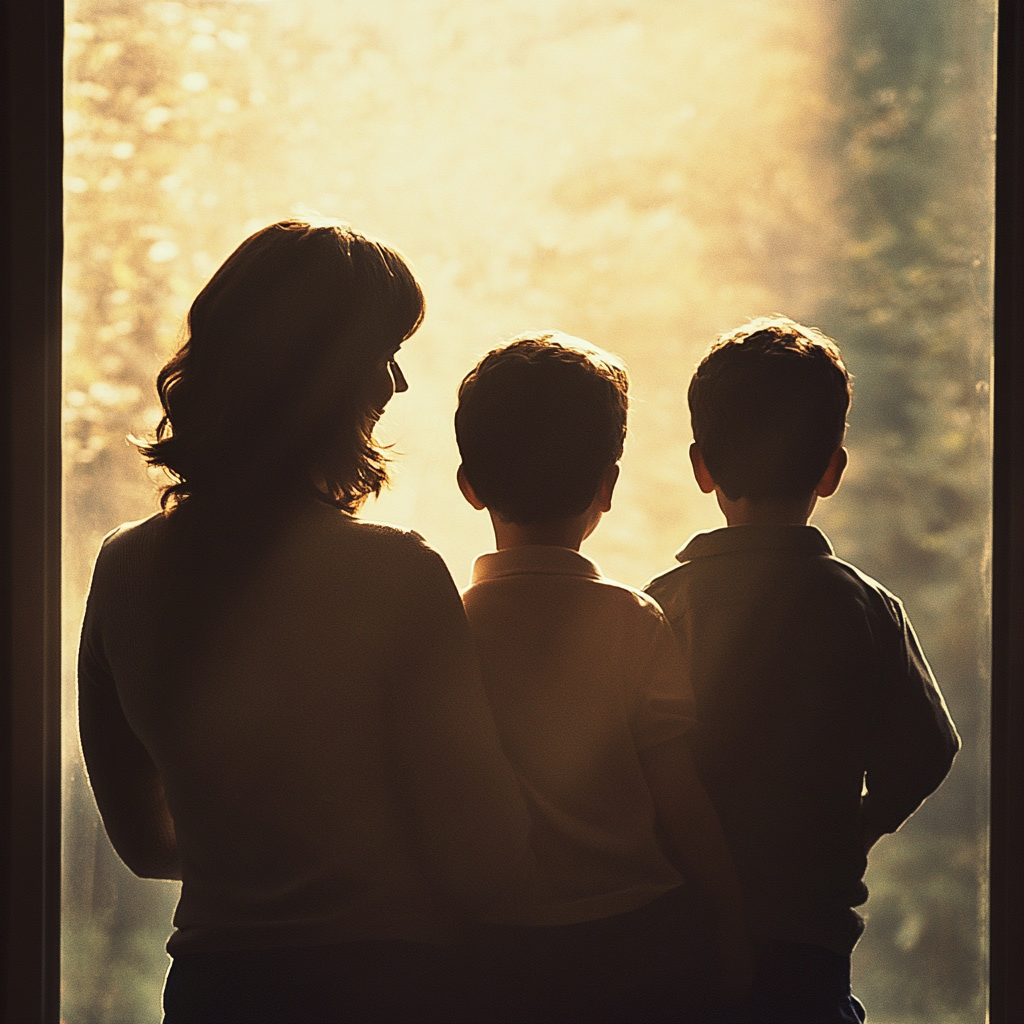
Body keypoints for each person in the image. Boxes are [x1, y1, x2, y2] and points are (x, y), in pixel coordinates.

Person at [77, 219, 533, 1024]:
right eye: (381, 353)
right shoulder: (396, 574)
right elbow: (486, 852)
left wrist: (252, 860)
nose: (395, 384)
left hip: (218, 992)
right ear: (319, 373)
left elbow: (145, 845)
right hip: (389, 986)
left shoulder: (122, 570)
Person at [644, 316, 961, 1024]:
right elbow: (931, 749)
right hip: (810, 939)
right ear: (832, 469)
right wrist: (859, 829)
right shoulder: (862, 606)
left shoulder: (663, 609)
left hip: (683, 928)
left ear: (702, 468)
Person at [454, 332, 752, 1023]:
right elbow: (677, 793)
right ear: (607, 487)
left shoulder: (447, 631)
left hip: (498, 947)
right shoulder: (633, 622)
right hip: (634, 939)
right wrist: (730, 918)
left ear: (470, 486)